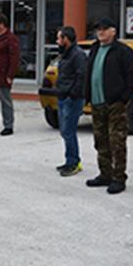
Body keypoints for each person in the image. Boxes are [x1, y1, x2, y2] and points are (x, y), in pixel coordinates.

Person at [84, 18, 133, 194]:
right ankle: (105, 174)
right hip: (97, 102)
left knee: (117, 141)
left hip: (115, 103)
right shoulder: (94, 48)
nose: (100, 32)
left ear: (113, 31)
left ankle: (118, 177)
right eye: (98, 29)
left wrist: (124, 98)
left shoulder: (123, 51)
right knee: (100, 140)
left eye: (104, 29)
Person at [53, 27, 87, 177]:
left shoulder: (77, 55)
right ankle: (70, 160)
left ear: (66, 39)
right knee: (65, 131)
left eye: (59, 38)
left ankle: (73, 163)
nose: (57, 41)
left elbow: (81, 76)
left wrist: (73, 93)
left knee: (69, 131)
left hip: (72, 99)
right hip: (63, 97)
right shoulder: (65, 54)